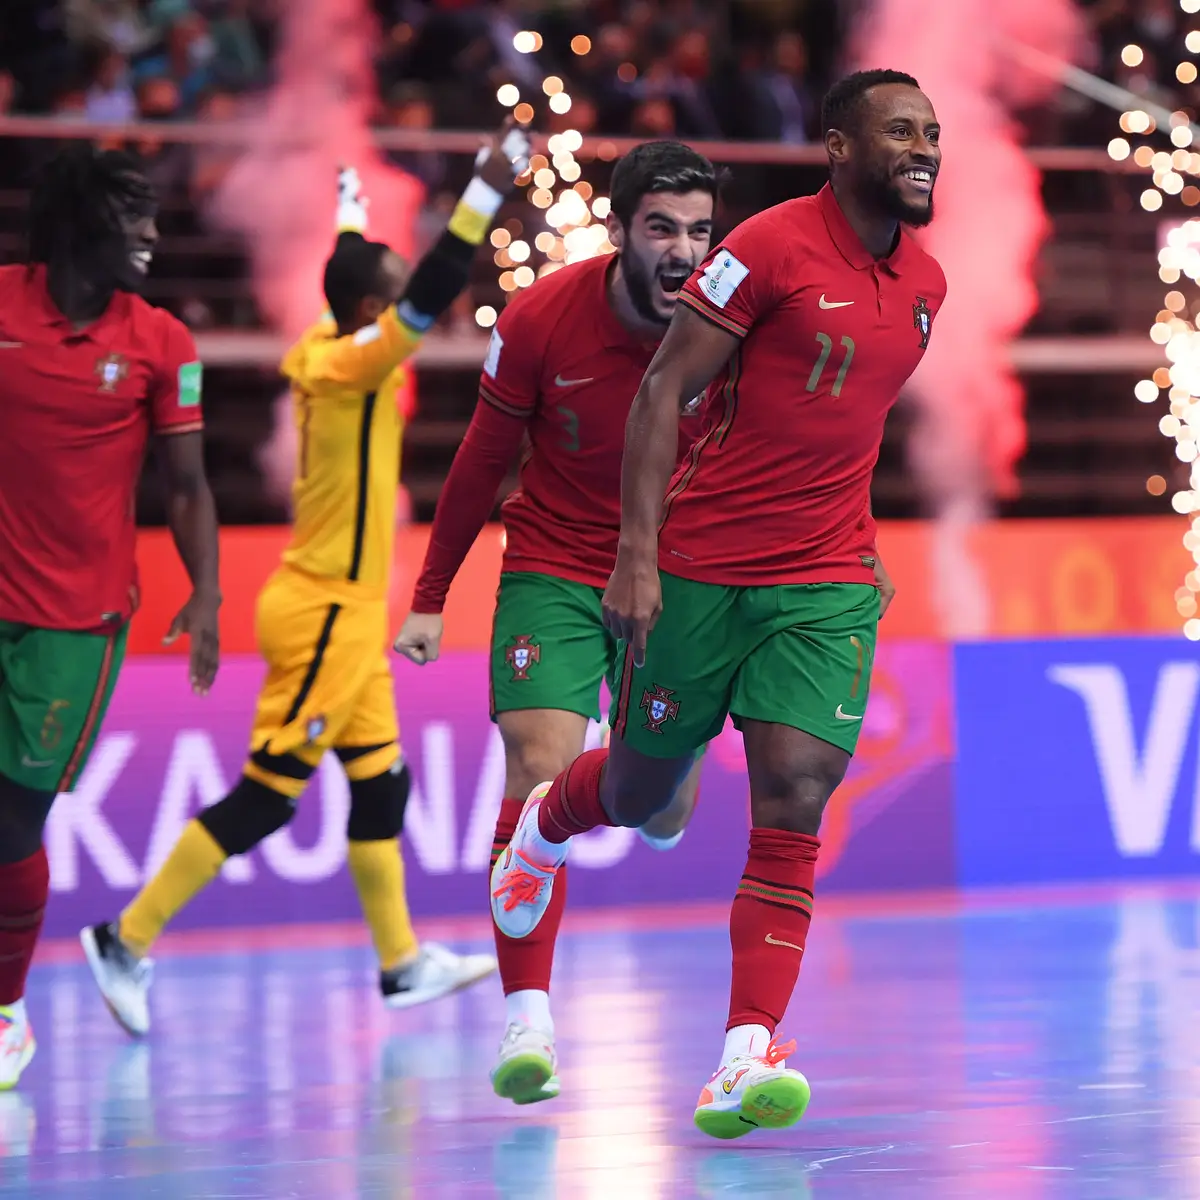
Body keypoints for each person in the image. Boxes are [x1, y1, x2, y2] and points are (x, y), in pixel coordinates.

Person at [488, 69, 943, 1139]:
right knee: (645, 795)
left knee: (795, 793)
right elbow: (661, 393)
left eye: (932, 132)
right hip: (700, 568)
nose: (924, 148)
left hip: (824, 582)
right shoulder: (767, 251)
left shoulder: (927, 282)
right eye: (900, 132)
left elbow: (844, 426)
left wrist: (861, 540)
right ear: (837, 146)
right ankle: (546, 831)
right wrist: (636, 558)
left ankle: (744, 1057)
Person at [82, 122, 532, 1038]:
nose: (411, 301)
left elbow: (355, 271)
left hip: (352, 617)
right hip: (323, 611)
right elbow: (434, 285)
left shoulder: (333, 333)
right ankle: (125, 937)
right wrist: (483, 195)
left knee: (381, 788)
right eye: (394, 293)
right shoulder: (353, 363)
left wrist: (351, 209)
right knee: (267, 794)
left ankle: (401, 964)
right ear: (374, 310)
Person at [394, 140, 721, 1106]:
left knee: (661, 808)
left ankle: (654, 774)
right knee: (537, 770)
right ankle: (526, 1018)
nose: (682, 250)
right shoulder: (541, 319)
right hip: (556, 566)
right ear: (620, 231)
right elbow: (479, 459)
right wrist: (428, 594)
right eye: (661, 228)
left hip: (680, 576)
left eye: (700, 231)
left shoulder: (733, 321)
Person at [0, 144, 222, 1089]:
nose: (152, 239)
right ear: (84, 221)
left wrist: (206, 593)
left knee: (9, 824)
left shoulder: (163, 343)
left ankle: (7, 1014)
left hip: (73, 624)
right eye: (136, 221)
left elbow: (188, 486)